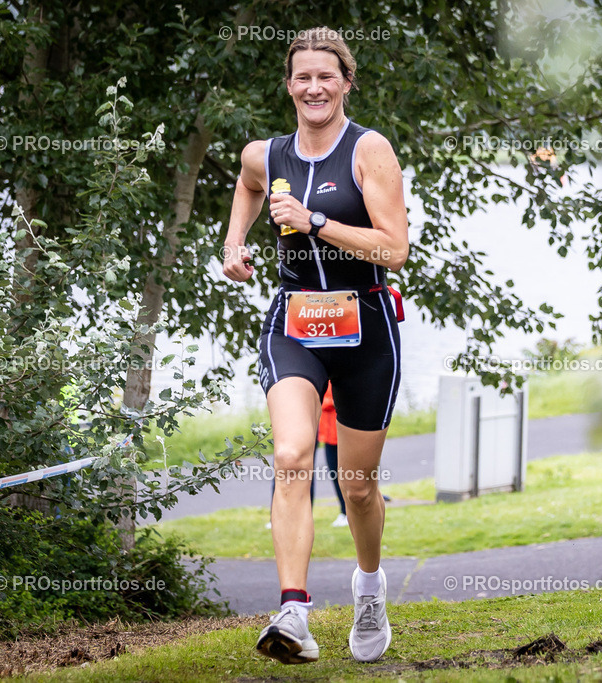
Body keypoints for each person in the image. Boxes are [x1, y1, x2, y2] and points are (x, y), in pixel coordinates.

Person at [222, 27, 408, 665]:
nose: (314, 87)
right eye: (302, 76)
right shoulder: (265, 154)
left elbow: (395, 250)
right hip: (294, 323)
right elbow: (246, 186)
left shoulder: (370, 150)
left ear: (346, 82)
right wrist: (233, 245)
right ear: (289, 85)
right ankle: (294, 612)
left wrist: (316, 221)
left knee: (357, 485)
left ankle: (368, 587)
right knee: (291, 452)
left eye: (326, 76)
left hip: (367, 326)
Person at [318, 386, 348, 527]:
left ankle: (348, 512)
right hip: (329, 436)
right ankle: (344, 511)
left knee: (352, 474)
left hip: (345, 435)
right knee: (335, 475)